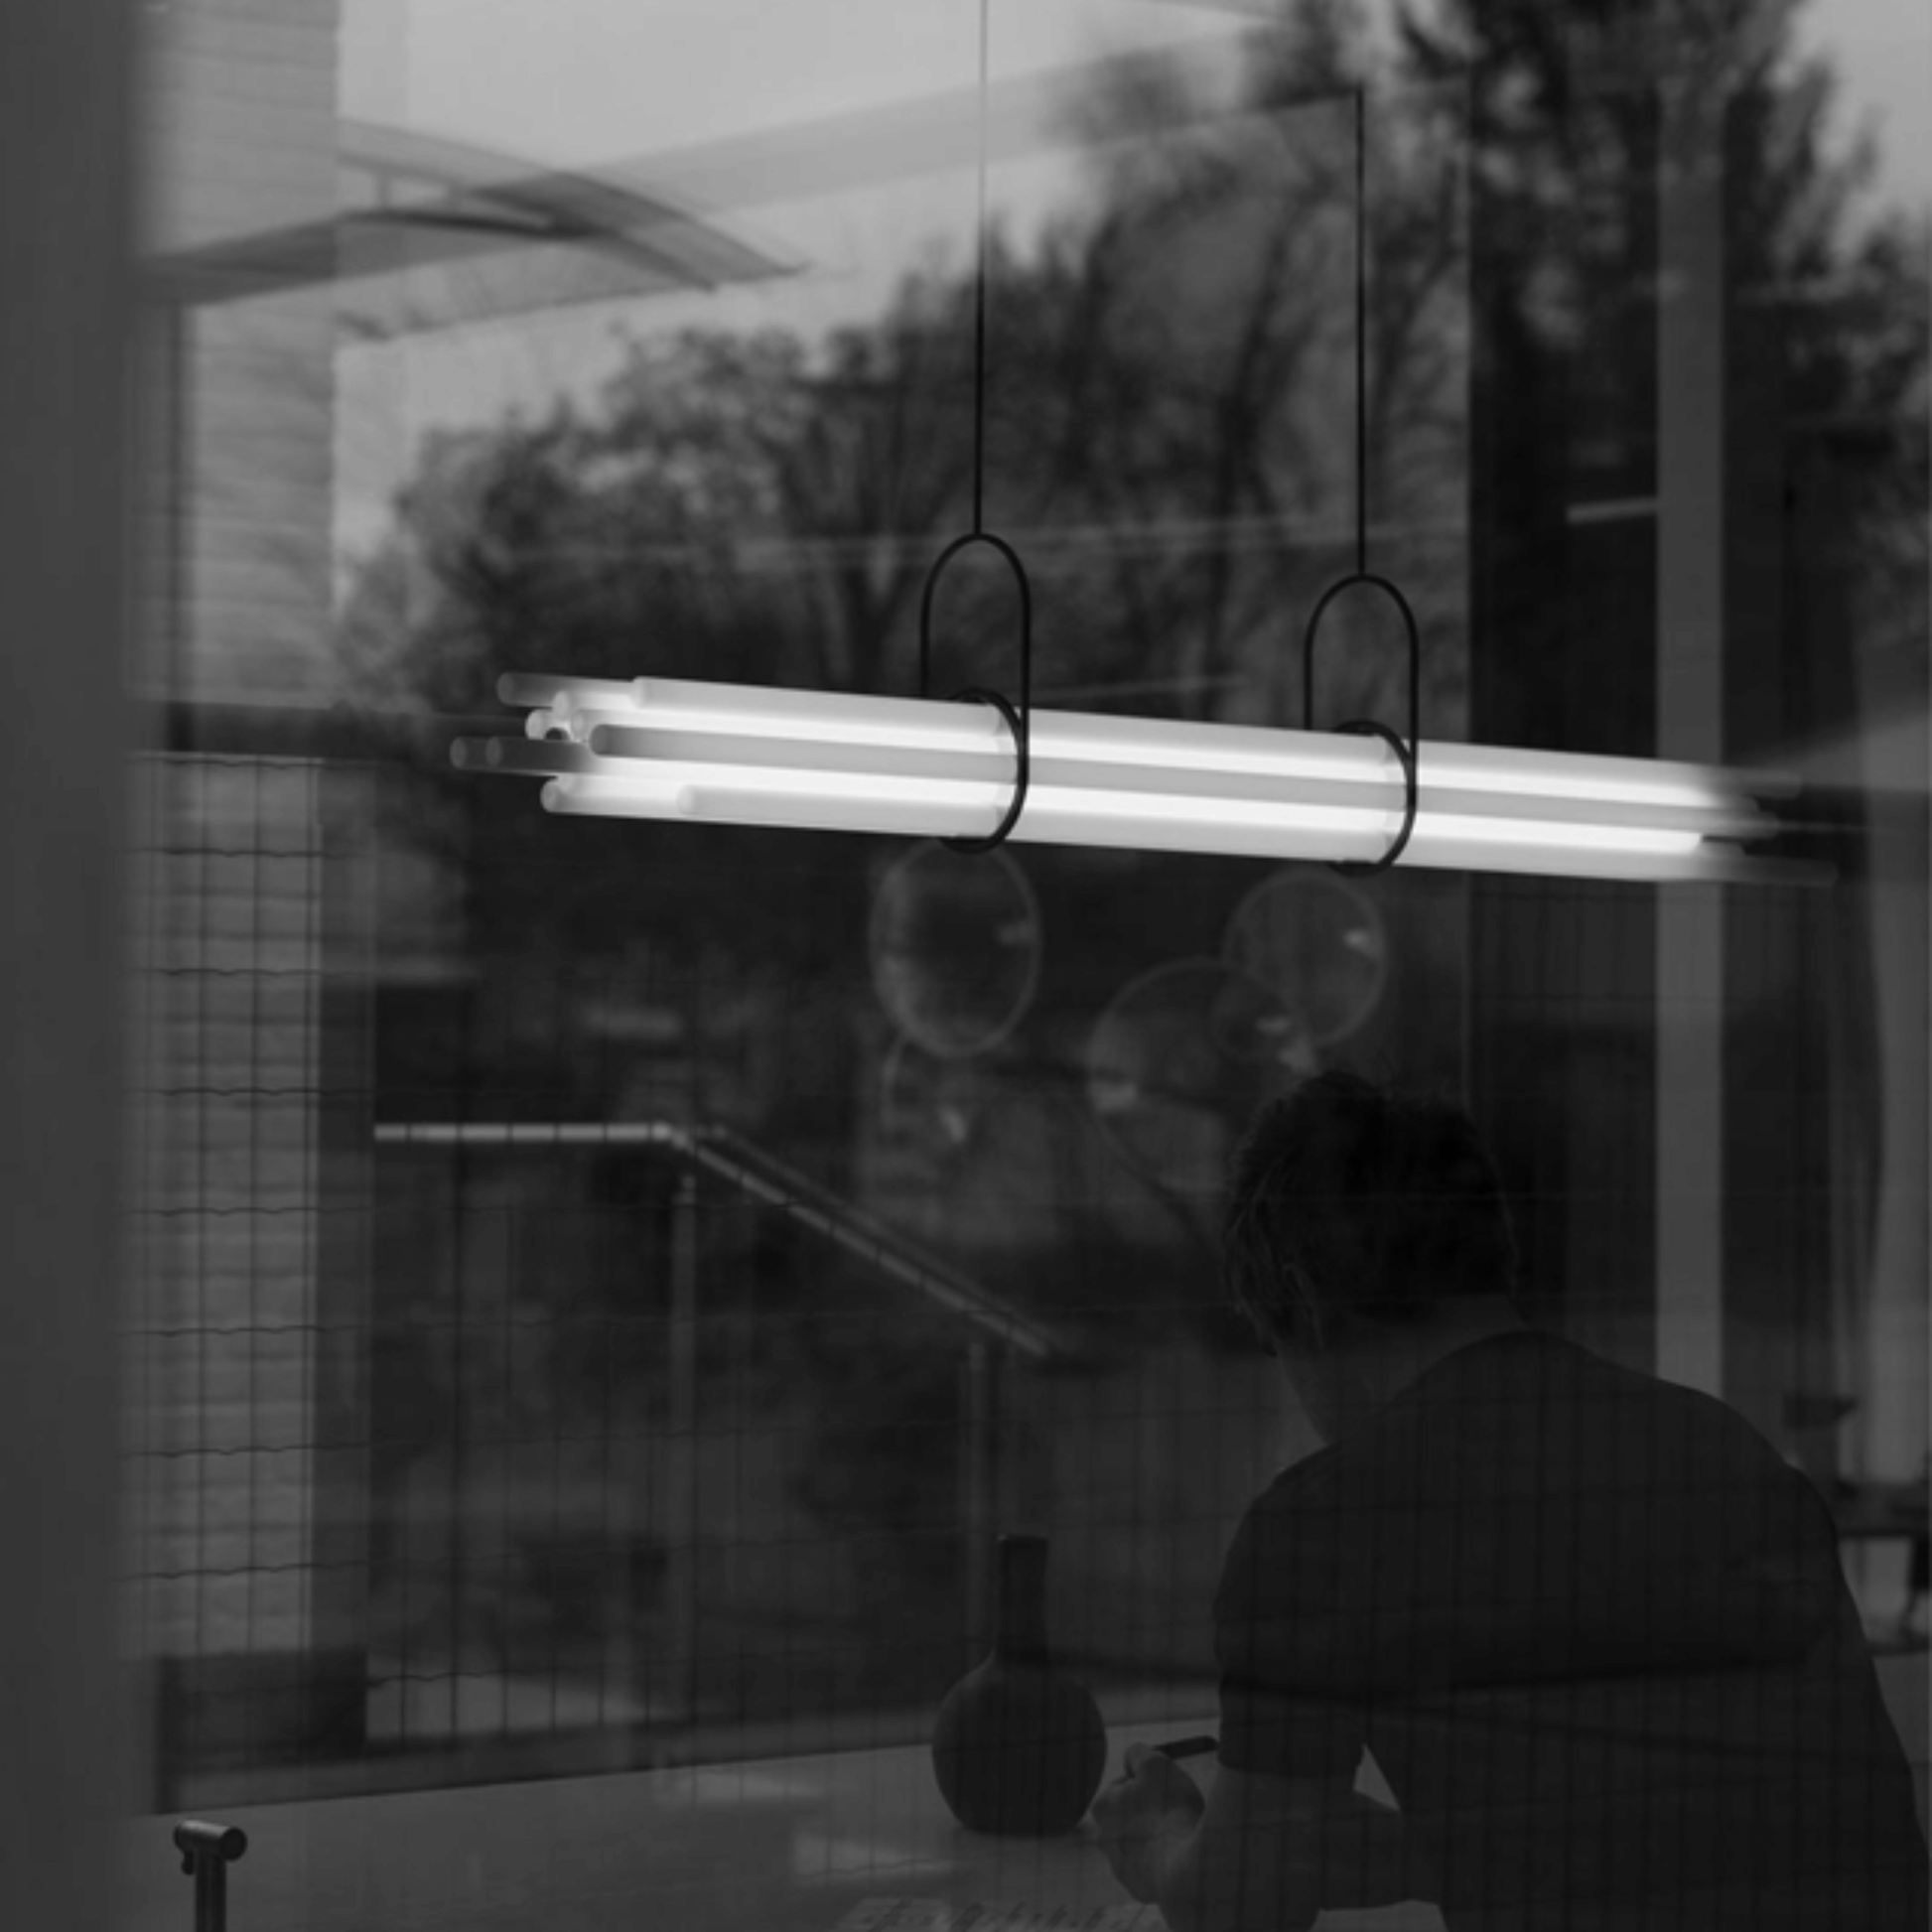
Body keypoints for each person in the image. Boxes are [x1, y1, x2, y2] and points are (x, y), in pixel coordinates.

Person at [1092, 1069, 1929, 1931]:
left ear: (1301, 1298)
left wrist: (1163, 1838)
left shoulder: (1325, 1525)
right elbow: (1764, 1830)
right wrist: (1414, 1851)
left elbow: (1242, 1909)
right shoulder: (1722, 1450)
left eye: (1276, 1349)